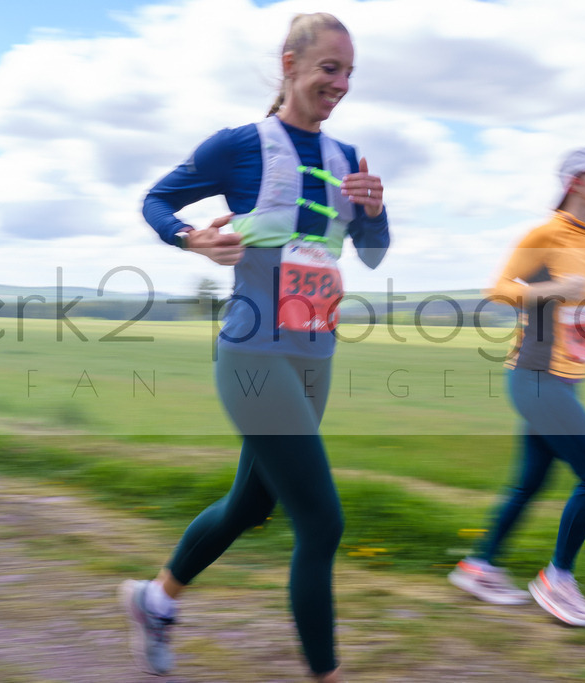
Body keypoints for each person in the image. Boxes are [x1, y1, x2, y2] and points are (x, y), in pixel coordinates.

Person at [119, 13, 389, 682]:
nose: (341, 83)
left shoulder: (346, 159)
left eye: (350, 72)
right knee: (321, 522)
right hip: (254, 356)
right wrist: (191, 239)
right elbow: (157, 200)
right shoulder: (242, 146)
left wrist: (378, 211)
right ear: (291, 63)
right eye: (330, 68)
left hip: (314, 358)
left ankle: (155, 601)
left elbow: (376, 255)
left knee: (251, 505)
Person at [449, 147, 585, 627]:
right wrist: (552, 290)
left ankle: (479, 566)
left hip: (567, 380)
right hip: (536, 376)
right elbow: (497, 288)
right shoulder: (545, 233)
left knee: (530, 481)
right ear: (575, 180)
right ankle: (557, 580)